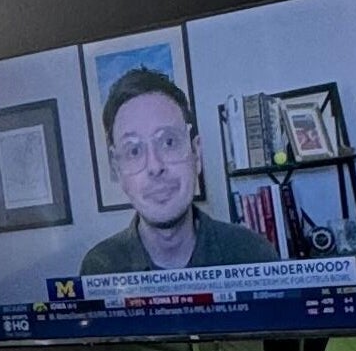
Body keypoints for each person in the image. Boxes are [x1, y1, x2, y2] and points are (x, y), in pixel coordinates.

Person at [80, 67, 278, 274]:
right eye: (134, 150)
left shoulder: (254, 255)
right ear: (118, 170)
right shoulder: (99, 268)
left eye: (169, 142)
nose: (155, 167)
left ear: (196, 154)